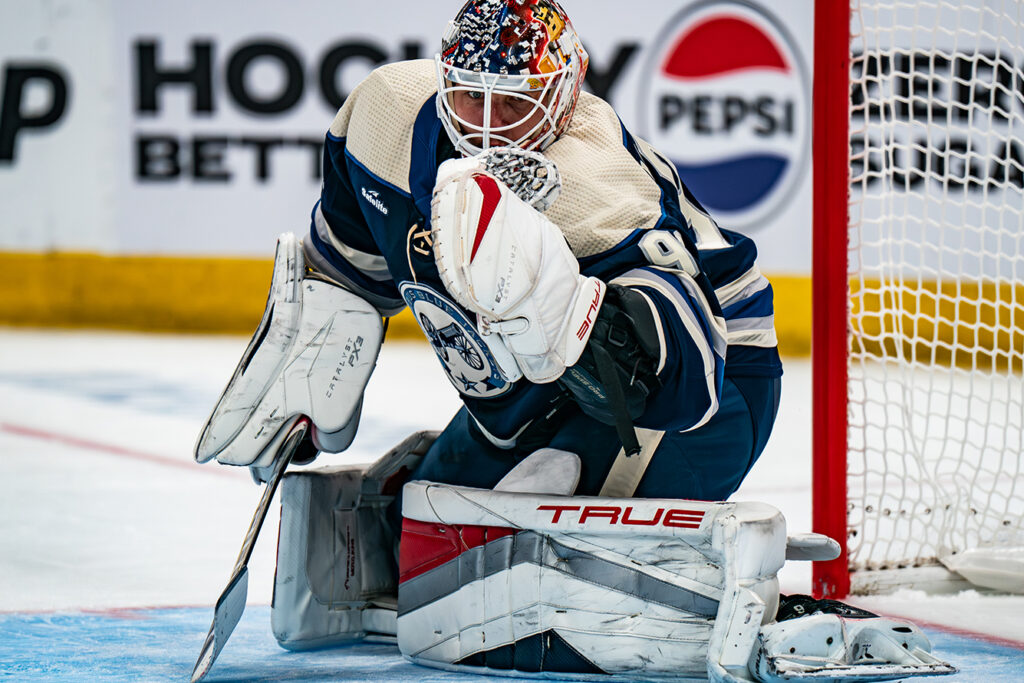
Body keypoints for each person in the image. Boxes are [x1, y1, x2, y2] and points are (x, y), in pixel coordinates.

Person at [299, 0, 783, 503]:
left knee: (522, 554)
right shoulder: (385, 113)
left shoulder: (594, 188)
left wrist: (575, 316)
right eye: (470, 95)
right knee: (421, 529)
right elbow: (347, 266)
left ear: (565, 93)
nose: (487, 124)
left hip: (717, 374)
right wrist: (309, 363)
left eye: (515, 101)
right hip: (541, 393)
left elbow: (692, 386)